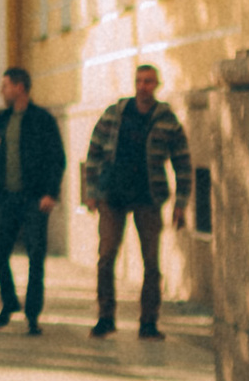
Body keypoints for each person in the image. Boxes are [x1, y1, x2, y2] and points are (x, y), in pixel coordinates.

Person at [82, 62, 193, 340]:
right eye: (139, 81)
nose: (143, 86)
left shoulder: (166, 119)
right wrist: (92, 190)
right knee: (106, 257)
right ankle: (105, 317)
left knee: (151, 262)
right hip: (112, 195)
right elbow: (93, 152)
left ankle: (149, 322)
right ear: (134, 84)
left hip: (149, 197)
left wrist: (181, 202)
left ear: (157, 85)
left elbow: (182, 162)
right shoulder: (115, 114)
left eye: (149, 81)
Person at [0, 65, 66, 334]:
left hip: (34, 199)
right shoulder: (3, 120)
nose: (2, 91)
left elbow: (56, 158)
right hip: (6, 198)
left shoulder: (42, 120)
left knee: (35, 256)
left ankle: (32, 315)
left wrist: (51, 192)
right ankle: (9, 303)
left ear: (20, 87)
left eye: (5, 85)